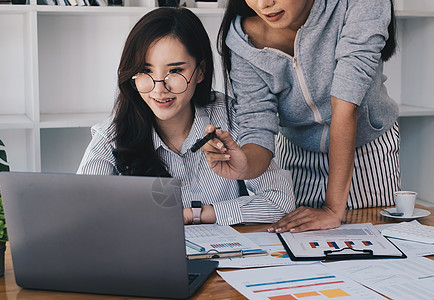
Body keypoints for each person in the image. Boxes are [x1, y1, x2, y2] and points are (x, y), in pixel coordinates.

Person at [77, 7, 296, 226]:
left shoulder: (231, 119)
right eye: (146, 71)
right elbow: (81, 214)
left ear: (200, 71)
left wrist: (196, 214)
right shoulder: (111, 137)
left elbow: (280, 202)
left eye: (175, 71)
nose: (159, 88)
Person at [203, 0, 400, 232]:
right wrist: (243, 164)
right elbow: (257, 127)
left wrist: (332, 209)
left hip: (367, 153)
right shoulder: (241, 39)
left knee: (375, 247)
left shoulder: (359, 4)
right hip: (297, 154)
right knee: (303, 252)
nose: (264, 4)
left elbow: (346, 105)